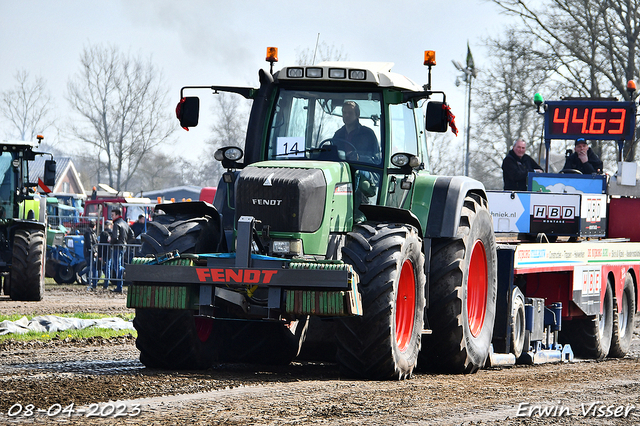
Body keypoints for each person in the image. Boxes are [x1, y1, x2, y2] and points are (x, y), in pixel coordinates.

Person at [109, 208, 132, 293]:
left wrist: (111, 243)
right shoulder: (125, 223)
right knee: (119, 266)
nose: (111, 216)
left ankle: (119, 286)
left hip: (117, 247)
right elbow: (131, 234)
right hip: (123, 247)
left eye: (112, 215)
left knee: (117, 267)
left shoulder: (116, 224)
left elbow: (115, 237)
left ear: (117, 215)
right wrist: (126, 242)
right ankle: (126, 271)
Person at [83, 220, 99, 290]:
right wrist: (94, 251)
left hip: (89, 252)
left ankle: (90, 281)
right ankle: (82, 274)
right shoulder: (89, 233)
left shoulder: (90, 232)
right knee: (91, 267)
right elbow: (90, 244)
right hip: (89, 252)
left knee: (91, 266)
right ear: (94, 226)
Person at [98, 220, 112, 289]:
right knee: (108, 268)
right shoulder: (112, 233)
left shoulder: (103, 234)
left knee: (103, 267)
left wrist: (99, 255)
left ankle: (105, 283)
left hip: (103, 252)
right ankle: (106, 283)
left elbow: (100, 245)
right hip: (109, 253)